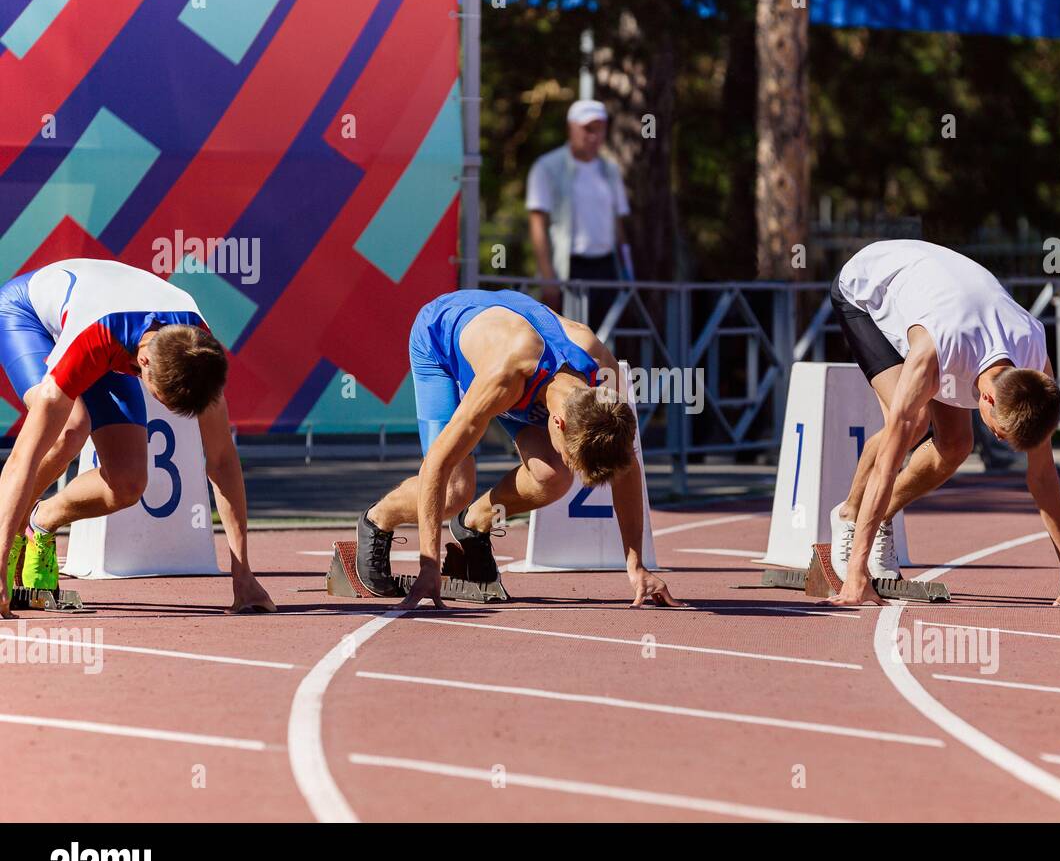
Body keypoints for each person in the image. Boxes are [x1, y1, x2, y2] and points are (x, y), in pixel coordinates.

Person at [354, 288, 675, 609]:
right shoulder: (504, 377)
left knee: (553, 477)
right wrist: (428, 565)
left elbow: (627, 467)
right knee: (455, 489)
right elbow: (437, 463)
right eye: (568, 452)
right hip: (440, 341)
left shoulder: (604, 379)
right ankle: (377, 520)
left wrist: (636, 565)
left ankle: (474, 523)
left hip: (525, 367)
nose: (568, 460)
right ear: (559, 423)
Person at [0, 258, 274, 618]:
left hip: (111, 328)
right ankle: (8, 538)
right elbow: (24, 458)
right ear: (142, 363)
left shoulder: (197, 352)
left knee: (128, 484)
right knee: (69, 429)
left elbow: (221, 461)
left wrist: (243, 574)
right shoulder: (95, 338)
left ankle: (41, 522)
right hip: (29, 315)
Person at [824, 239, 1060, 607]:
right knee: (911, 423)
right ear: (989, 399)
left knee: (956, 446)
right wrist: (856, 574)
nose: (997, 441)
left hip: (940, 298)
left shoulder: (1034, 357)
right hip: (866, 290)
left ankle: (880, 516)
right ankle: (849, 515)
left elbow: (1042, 473)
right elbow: (889, 461)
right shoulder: (936, 351)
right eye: (999, 433)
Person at [526, 99, 632, 329]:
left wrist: (627, 271)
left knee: (604, 341)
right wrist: (548, 277)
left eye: (599, 129)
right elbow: (537, 223)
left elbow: (618, 223)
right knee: (568, 340)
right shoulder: (547, 167)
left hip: (606, 269)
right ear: (571, 128)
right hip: (568, 269)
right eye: (587, 129)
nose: (593, 136)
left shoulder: (610, 169)